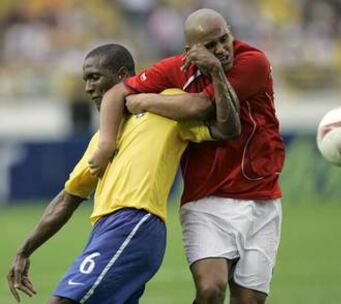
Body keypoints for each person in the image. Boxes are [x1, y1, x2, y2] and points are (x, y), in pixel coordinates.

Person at [7, 43, 240, 304]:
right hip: (105, 231)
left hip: (134, 222)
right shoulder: (100, 139)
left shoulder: (164, 107)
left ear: (121, 75)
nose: (88, 87)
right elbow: (67, 198)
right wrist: (24, 250)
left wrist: (215, 75)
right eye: (85, 80)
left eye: (94, 77)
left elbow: (221, 122)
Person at [90, 8, 285, 304]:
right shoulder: (176, 69)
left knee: (249, 301)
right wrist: (105, 143)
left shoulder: (253, 62)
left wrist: (143, 99)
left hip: (261, 196)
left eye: (224, 39)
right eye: (210, 46)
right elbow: (115, 93)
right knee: (210, 289)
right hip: (206, 196)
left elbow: (202, 107)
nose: (221, 50)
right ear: (190, 51)